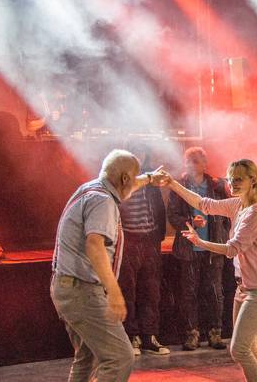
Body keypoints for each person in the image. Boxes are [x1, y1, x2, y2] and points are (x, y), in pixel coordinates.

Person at [50, 149, 166, 382]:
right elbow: (95, 245)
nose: (134, 184)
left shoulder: (91, 189)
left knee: (87, 356)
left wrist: (150, 179)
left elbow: (129, 187)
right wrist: (114, 292)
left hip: (67, 288)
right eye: (134, 178)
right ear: (124, 178)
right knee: (120, 357)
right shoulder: (103, 202)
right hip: (82, 291)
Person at [165, 159, 257, 382]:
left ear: (253, 180)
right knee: (249, 346)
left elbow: (232, 249)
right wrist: (171, 183)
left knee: (239, 349)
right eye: (230, 179)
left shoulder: (255, 212)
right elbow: (203, 203)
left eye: (238, 179)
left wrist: (201, 243)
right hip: (245, 288)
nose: (232, 183)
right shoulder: (238, 205)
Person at [167, 147, 230, 351]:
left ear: (205, 163)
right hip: (189, 249)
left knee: (214, 293)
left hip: (213, 249)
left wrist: (223, 232)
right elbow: (173, 216)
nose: (191, 165)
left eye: (196, 160)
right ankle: (191, 334)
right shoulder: (179, 186)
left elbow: (228, 211)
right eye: (188, 160)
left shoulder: (216, 186)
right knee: (189, 294)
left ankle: (215, 333)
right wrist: (190, 222)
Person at [117, 144, 169, 356]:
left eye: (141, 154)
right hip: (129, 240)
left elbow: (159, 208)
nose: (139, 158)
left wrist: (158, 236)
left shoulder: (150, 181)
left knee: (151, 291)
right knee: (127, 290)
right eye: (134, 155)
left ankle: (149, 336)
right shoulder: (122, 181)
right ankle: (131, 337)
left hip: (149, 240)